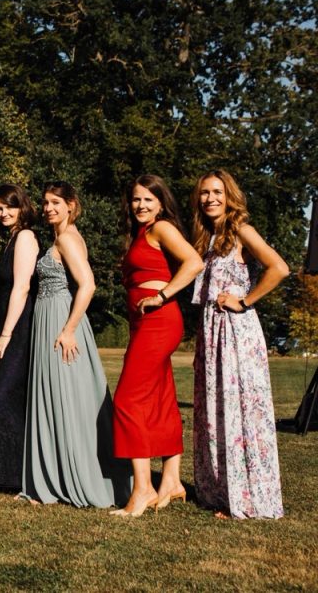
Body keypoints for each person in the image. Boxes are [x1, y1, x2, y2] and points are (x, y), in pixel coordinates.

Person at [21, 182, 131, 508]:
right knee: (59, 395)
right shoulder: (62, 237)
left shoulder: (67, 238)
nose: (48, 208)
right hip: (52, 319)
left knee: (65, 396)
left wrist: (68, 330)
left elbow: (88, 284)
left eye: (56, 202)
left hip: (60, 321)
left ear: (71, 205)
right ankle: (55, 475)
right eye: (45, 203)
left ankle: (72, 477)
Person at [191, 169, 289, 519]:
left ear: (229, 196)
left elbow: (279, 268)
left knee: (239, 409)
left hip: (236, 332)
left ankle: (247, 497)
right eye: (205, 192)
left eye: (217, 192)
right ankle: (220, 491)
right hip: (211, 333)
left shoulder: (241, 231)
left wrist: (245, 301)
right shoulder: (207, 238)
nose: (210, 198)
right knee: (216, 410)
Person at [111, 175, 203, 517]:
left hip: (159, 320)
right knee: (161, 398)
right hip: (143, 324)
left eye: (148, 199)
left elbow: (194, 262)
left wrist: (162, 295)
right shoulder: (139, 234)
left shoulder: (161, 228)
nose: (141, 205)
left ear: (161, 203)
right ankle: (172, 481)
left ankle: (143, 489)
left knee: (127, 400)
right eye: (136, 199)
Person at [0, 184, 39, 492]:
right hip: (10, 321)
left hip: (19, 325)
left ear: (22, 207)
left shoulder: (26, 236)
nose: (3, 213)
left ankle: (13, 474)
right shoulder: (11, 238)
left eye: (9, 206)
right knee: (4, 393)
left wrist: (6, 333)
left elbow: (22, 287)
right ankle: (4, 471)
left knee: (7, 393)